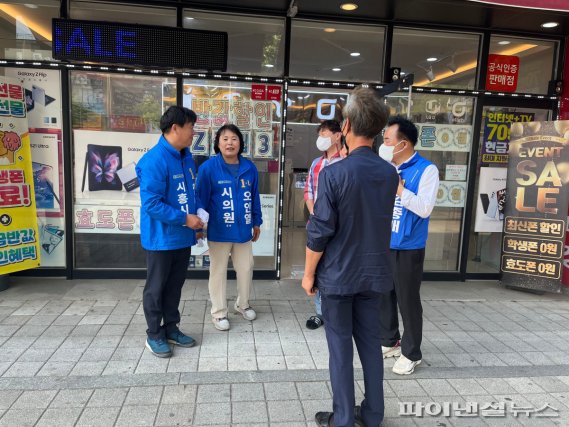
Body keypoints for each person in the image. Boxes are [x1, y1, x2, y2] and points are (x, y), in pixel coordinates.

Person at [302, 86, 399, 427]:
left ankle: (342, 418)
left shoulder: (334, 173)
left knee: (340, 349)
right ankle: (373, 414)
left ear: (346, 127)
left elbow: (320, 230)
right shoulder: (390, 174)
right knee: (371, 346)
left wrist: (308, 274)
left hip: (339, 276)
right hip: (375, 275)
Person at [136, 106, 204, 358]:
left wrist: (195, 224)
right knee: (156, 288)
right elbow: (152, 204)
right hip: (161, 238)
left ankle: (171, 328)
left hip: (182, 236)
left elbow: (190, 195)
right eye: (191, 127)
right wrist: (186, 219)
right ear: (175, 128)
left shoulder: (186, 157)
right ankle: (154, 334)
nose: (193, 132)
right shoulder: (154, 160)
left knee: (175, 286)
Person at [378, 115, 439, 375]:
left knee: (407, 300)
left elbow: (425, 209)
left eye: (387, 139)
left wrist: (401, 191)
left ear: (403, 144)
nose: (383, 144)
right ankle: (390, 340)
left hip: (409, 247)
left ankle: (412, 352)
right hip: (385, 242)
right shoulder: (388, 168)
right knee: (384, 295)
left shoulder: (427, 169)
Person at [196, 124, 262, 331]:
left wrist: (257, 221)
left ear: (241, 143)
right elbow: (201, 200)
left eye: (234, 138)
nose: (230, 143)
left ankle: (242, 304)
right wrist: (199, 226)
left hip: (243, 231)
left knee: (246, 268)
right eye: (225, 139)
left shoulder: (249, 167)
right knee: (218, 271)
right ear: (217, 143)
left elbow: (254, 197)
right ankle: (218, 312)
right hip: (219, 230)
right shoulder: (208, 168)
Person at [304, 120, 343, 330]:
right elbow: (308, 190)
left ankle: (337, 311)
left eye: (325, 133)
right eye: (320, 134)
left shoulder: (346, 161)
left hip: (342, 227)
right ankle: (320, 312)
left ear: (338, 135)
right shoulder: (316, 163)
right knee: (317, 267)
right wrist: (315, 213)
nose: (321, 138)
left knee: (337, 267)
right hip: (319, 223)